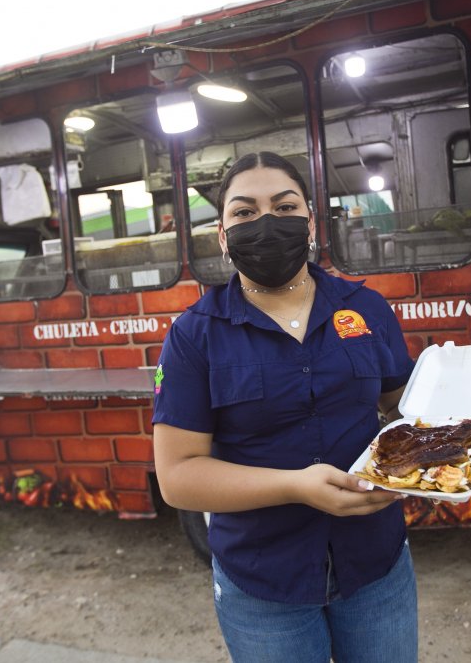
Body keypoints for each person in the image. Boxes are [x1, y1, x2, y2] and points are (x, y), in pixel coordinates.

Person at [152, 151, 418, 663]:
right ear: (223, 236)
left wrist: (458, 405)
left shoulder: (365, 308)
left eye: (284, 206)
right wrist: (295, 486)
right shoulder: (194, 336)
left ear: (311, 223)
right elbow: (178, 477)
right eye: (245, 212)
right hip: (264, 581)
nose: (267, 223)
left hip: (376, 564)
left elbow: (401, 406)